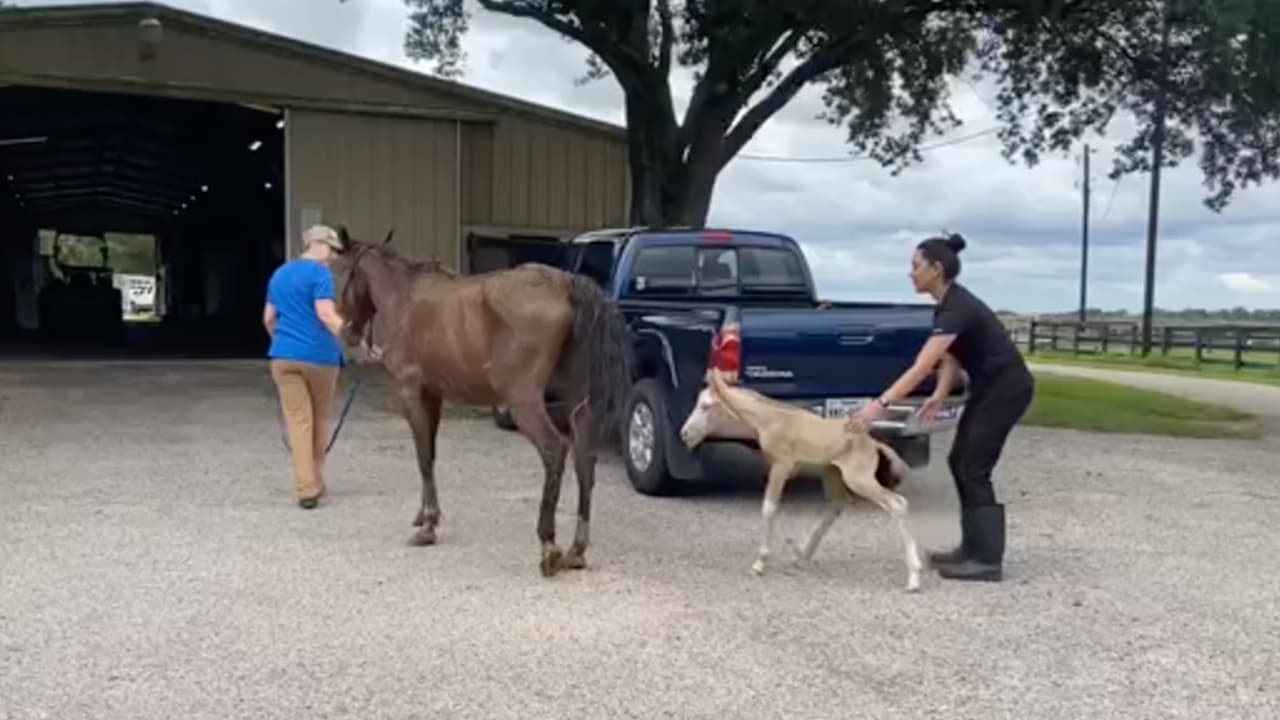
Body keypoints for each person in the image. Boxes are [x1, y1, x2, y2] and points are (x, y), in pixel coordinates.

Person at [845, 232, 1034, 582]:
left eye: (915, 266)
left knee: (973, 466)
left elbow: (921, 366)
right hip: (990, 388)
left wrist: (880, 405)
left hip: (1006, 389)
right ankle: (972, 550)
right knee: (960, 461)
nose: (910, 273)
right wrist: (939, 394)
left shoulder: (957, 307)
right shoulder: (948, 306)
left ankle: (987, 560)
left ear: (936, 268)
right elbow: (949, 359)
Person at [263, 224, 350, 510]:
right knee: (320, 419)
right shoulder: (319, 274)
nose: (334, 257)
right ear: (320, 244)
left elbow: (268, 319)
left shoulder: (279, 274)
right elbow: (325, 313)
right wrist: (352, 336)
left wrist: (284, 344)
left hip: (283, 358)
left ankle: (307, 487)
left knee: (298, 421)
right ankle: (313, 482)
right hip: (320, 358)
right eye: (334, 250)